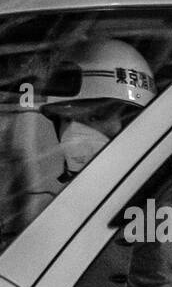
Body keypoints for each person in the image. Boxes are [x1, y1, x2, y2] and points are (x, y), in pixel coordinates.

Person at [41, 37, 157, 180]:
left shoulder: (159, 195)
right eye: (66, 119)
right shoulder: (64, 198)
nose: (74, 135)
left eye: (94, 118)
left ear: (136, 121)